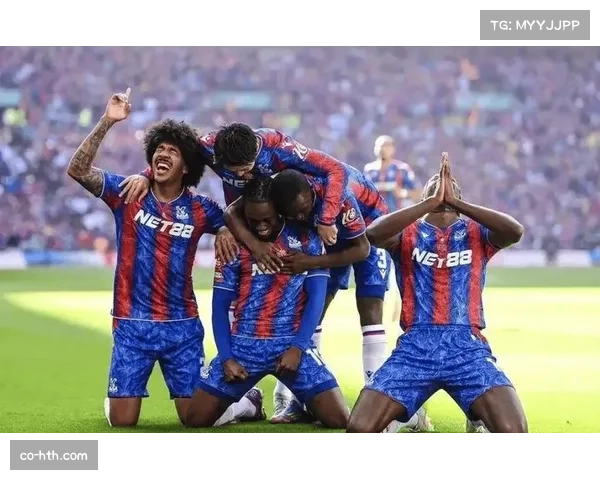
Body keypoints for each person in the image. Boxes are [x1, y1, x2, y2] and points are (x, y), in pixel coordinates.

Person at [67, 89, 263, 428]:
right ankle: (117, 394)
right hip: (132, 324)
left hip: (181, 327)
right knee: (122, 423)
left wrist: (225, 229)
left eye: (173, 150)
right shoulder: (128, 193)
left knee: (195, 419)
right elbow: (77, 169)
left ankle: (248, 403)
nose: (163, 153)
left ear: (186, 166)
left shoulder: (201, 208)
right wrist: (107, 121)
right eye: (159, 148)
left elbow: (233, 221)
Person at [346, 153, 528, 434]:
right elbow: (373, 234)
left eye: (449, 186)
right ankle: (418, 414)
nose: (442, 187)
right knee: (359, 430)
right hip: (415, 347)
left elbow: (515, 231)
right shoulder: (406, 233)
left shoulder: (477, 233)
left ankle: (476, 412)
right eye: (435, 186)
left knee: (514, 430)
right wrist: (428, 204)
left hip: (466, 346)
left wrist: (457, 204)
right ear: (424, 197)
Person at [245, 169, 430, 431]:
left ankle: (377, 401)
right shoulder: (286, 196)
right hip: (328, 237)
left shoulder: (338, 198)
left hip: (369, 232)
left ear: (311, 194)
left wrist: (312, 261)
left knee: (370, 312)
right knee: (312, 308)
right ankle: (301, 402)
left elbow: (361, 248)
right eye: (294, 215)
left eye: (304, 210)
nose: (301, 217)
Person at [184, 175, 349, 429]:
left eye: (267, 219)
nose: (260, 226)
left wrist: (298, 348)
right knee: (194, 419)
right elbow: (219, 307)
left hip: (290, 345)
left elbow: (316, 299)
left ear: (280, 211)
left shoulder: (307, 240)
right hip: (244, 345)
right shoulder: (233, 244)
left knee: (339, 419)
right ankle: (248, 403)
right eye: (253, 220)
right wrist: (227, 357)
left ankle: (306, 400)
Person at [119, 122, 352, 258]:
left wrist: (327, 219)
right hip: (240, 220)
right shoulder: (207, 146)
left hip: (284, 221)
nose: (241, 176)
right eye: (234, 171)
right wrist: (146, 175)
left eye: (245, 169)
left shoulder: (281, 149)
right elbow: (175, 156)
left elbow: (337, 169)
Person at [363, 135, 419, 333]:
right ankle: (382, 311)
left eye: (386, 146)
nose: (382, 149)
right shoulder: (369, 170)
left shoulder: (402, 169)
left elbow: (417, 193)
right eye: (379, 146)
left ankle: (401, 309)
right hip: (374, 225)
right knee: (378, 268)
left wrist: (401, 193)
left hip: (398, 224)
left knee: (401, 266)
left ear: (393, 148)